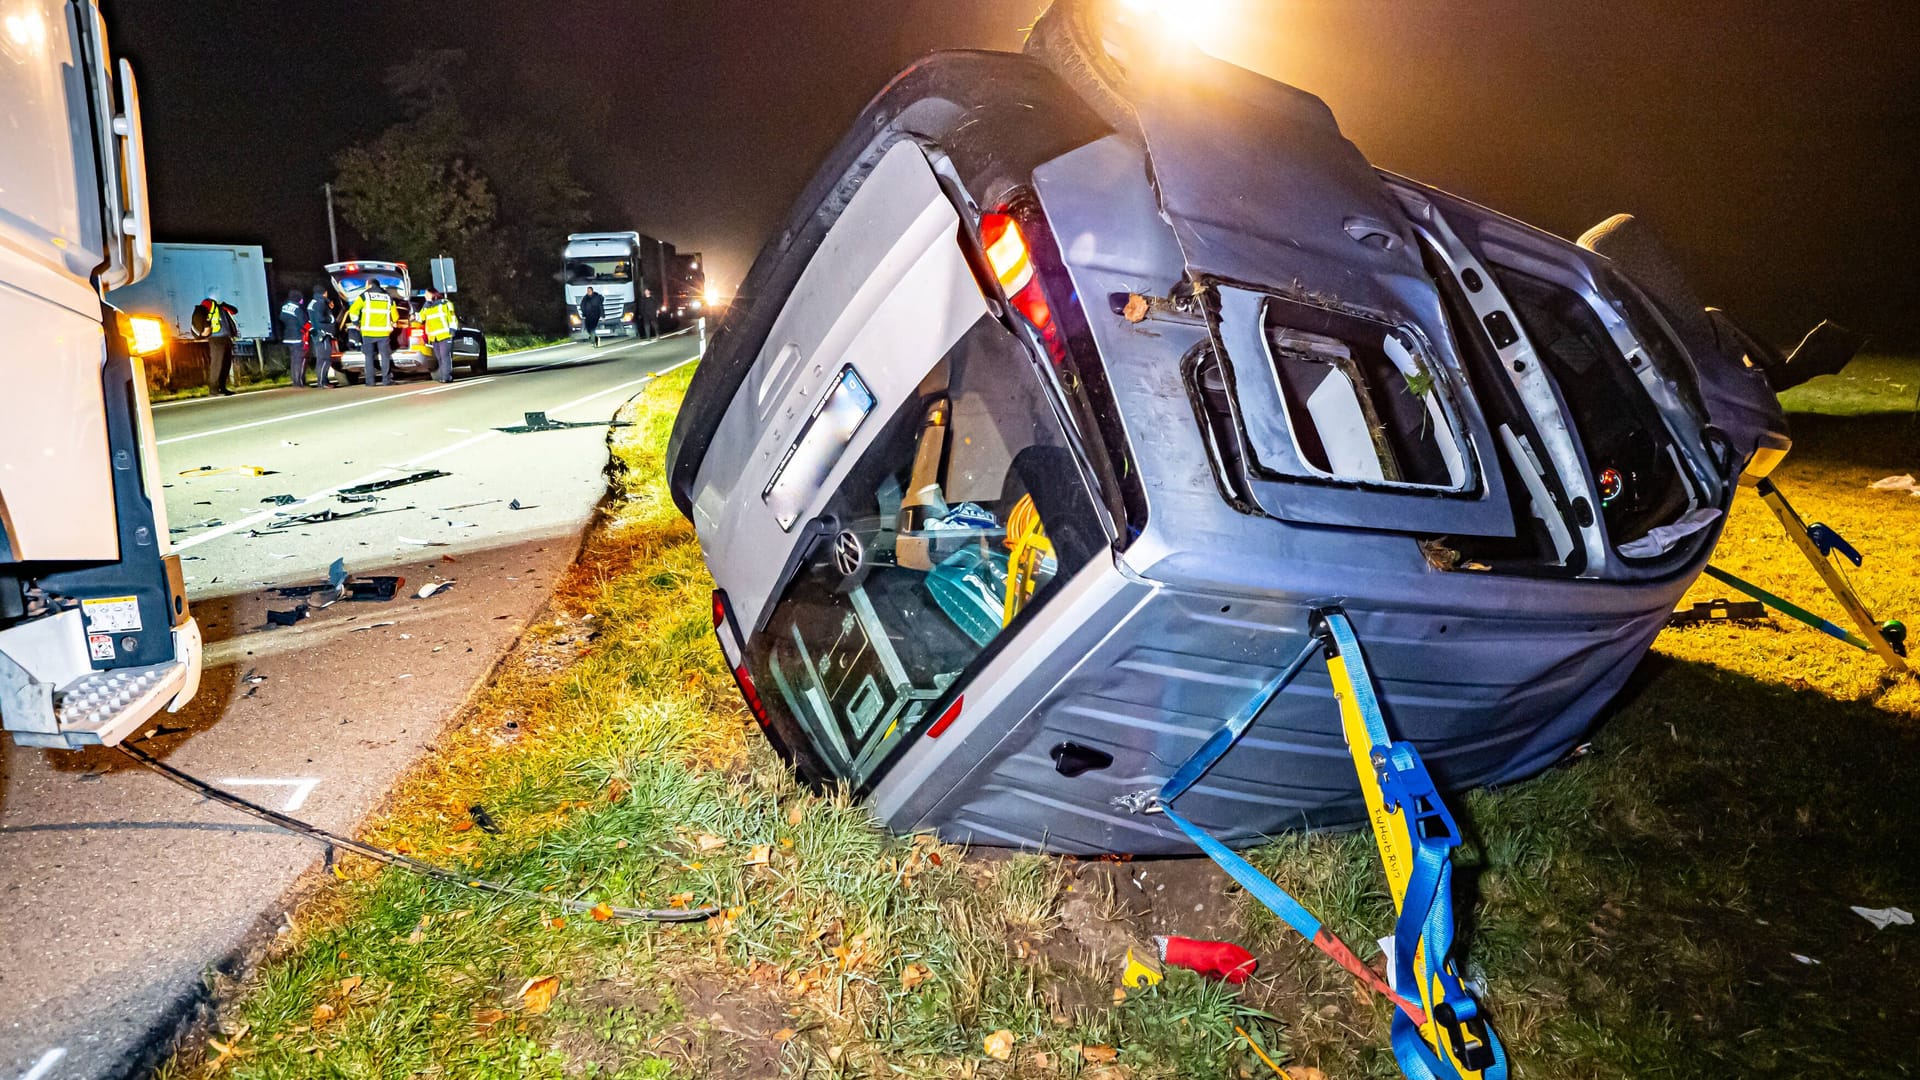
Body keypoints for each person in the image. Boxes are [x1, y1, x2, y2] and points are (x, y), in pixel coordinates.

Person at [345, 282, 397, 386]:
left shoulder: (364, 296)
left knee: (369, 357)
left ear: (369, 285)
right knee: (385, 356)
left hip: (368, 332)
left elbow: (353, 310)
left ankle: (370, 382)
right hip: (383, 332)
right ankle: (386, 380)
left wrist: (356, 323)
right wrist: (393, 321)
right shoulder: (388, 297)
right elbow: (395, 316)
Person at [191, 289, 241, 395]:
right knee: (217, 364)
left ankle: (222, 387)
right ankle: (213, 388)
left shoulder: (220, 306)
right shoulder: (208, 303)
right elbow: (200, 314)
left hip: (226, 337)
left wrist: (223, 304)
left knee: (226, 364)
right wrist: (205, 328)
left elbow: (234, 311)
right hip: (216, 338)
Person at [419, 288, 459, 383]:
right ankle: (444, 376)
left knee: (445, 356)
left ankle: (446, 376)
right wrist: (412, 316)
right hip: (434, 337)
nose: (425, 296)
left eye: (426, 294)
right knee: (439, 357)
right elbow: (421, 317)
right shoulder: (426, 306)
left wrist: (452, 330)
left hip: (445, 335)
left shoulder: (446, 303)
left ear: (433, 294)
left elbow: (452, 318)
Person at [278, 289, 313, 388]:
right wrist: (309, 328)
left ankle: (295, 380)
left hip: (288, 337)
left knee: (293, 360)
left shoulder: (284, 307)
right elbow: (304, 323)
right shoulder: (297, 309)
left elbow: (281, 319)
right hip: (298, 337)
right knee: (300, 360)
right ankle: (299, 381)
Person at [307, 289, 341, 388]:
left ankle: (321, 381)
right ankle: (323, 382)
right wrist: (331, 318)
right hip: (323, 334)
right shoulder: (320, 302)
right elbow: (321, 318)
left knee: (321, 359)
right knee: (325, 358)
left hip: (317, 334)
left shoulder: (312, 302)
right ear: (325, 292)